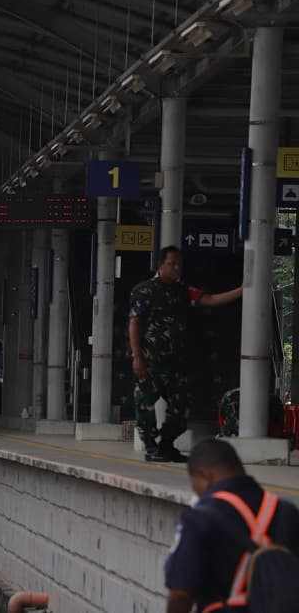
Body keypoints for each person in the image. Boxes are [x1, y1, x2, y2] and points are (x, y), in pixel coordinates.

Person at [130, 246, 242, 463]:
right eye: (172, 264)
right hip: (151, 361)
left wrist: (241, 290)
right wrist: (137, 357)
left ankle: (167, 444)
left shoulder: (182, 290)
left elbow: (209, 300)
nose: (177, 268)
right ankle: (151, 446)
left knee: (182, 405)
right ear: (160, 264)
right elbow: (134, 323)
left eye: (179, 264)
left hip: (176, 362)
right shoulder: (144, 291)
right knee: (144, 403)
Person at [164, 439, 299, 613]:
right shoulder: (286, 512)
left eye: (195, 486)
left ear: (204, 475)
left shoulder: (199, 519)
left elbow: (180, 592)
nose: (197, 493)